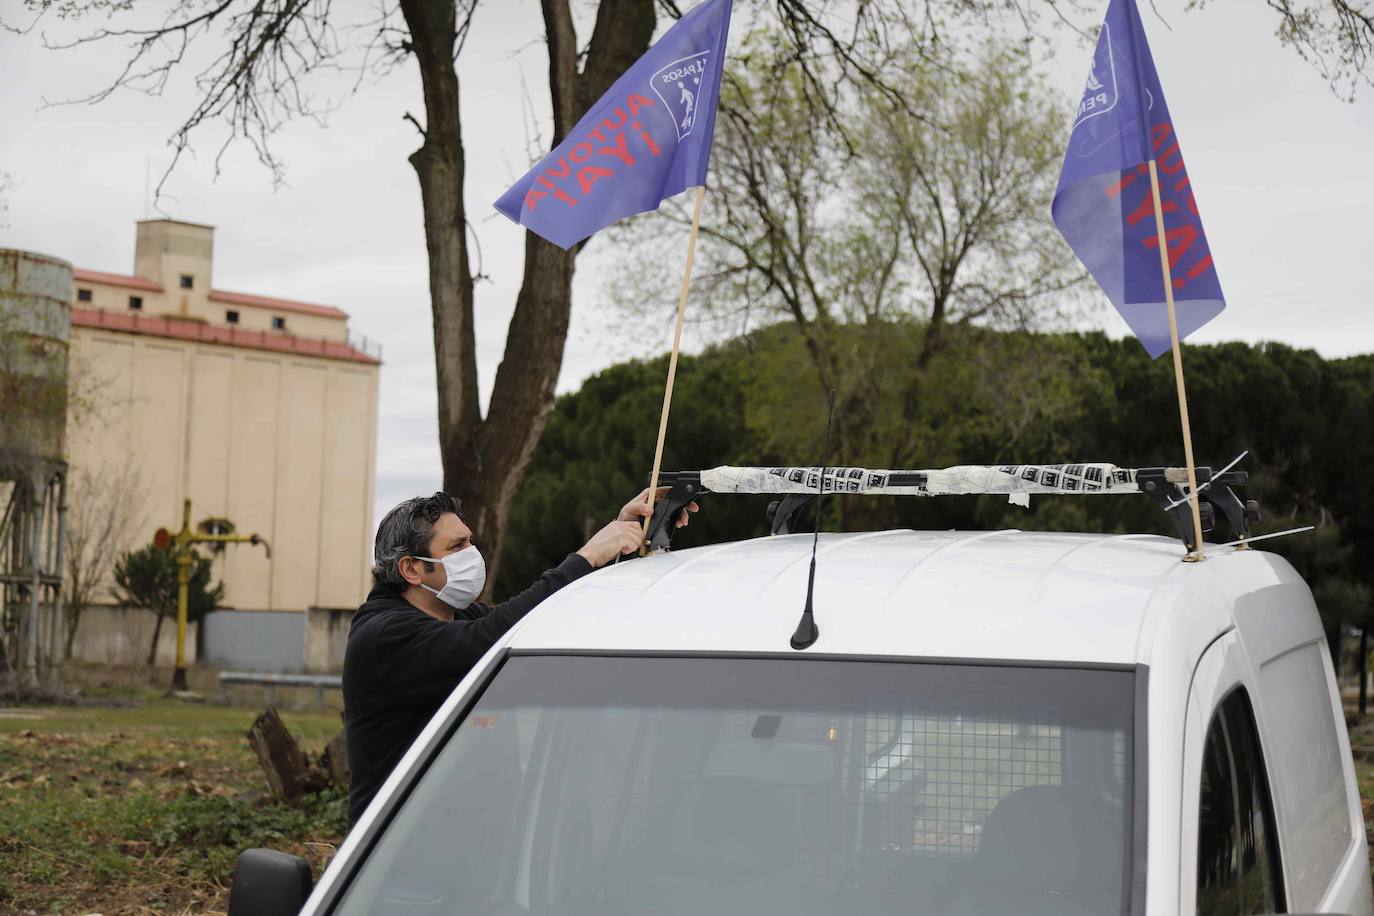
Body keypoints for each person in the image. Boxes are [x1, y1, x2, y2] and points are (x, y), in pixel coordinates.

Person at [342, 487, 695, 830]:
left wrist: (623, 539)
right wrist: (588, 556)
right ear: (411, 569)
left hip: (472, 848)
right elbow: (492, 636)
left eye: (470, 542)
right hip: (399, 856)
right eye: (456, 546)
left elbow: (544, 619)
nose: (472, 554)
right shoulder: (385, 636)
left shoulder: (456, 617)